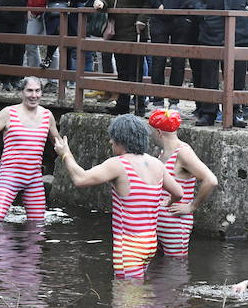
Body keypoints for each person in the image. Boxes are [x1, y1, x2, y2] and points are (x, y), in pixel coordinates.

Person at [54, 113, 183, 278]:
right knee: (138, 295)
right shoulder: (156, 164)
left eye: (112, 138)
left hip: (129, 246)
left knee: (126, 297)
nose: (110, 142)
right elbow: (178, 193)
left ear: (121, 140)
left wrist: (65, 154)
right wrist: (168, 201)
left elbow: (80, 179)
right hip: (150, 243)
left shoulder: (118, 164)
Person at [0, 76, 61, 222]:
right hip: (9, 176)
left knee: (37, 225)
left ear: (42, 93)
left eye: (37, 91)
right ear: (22, 92)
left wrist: (70, 162)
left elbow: (58, 143)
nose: (33, 95)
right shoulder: (8, 113)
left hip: (34, 178)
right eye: (29, 91)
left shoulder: (47, 116)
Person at [148, 109, 218, 256]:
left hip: (176, 224)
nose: (150, 134)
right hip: (160, 222)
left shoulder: (183, 152)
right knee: (158, 269)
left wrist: (191, 207)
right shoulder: (164, 152)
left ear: (159, 132)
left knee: (176, 269)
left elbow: (210, 180)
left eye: (151, 130)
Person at [93, 0, 149, 115]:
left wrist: (141, 20)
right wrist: (100, 3)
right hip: (116, 29)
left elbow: (148, 0)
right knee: (122, 69)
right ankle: (123, 104)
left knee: (137, 69)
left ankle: (140, 105)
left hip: (136, 29)